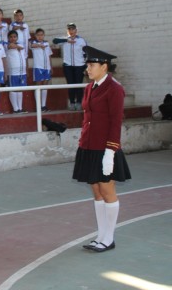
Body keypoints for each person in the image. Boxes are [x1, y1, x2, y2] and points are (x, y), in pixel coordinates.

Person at [72, 46, 131, 252]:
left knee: (107, 191)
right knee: (96, 192)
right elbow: (87, 118)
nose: (87, 68)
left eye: (91, 65)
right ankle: (100, 236)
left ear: (104, 66)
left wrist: (110, 152)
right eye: (87, 64)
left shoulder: (114, 89)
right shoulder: (90, 87)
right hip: (88, 146)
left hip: (105, 148)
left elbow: (115, 122)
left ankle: (109, 238)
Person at [53, 22, 88, 110]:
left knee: (78, 84)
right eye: (69, 29)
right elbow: (54, 40)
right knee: (70, 85)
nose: (71, 31)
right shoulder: (64, 40)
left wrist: (86, 65)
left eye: (73, 29)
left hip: (79, 66)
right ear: (67, 31)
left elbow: (86, 53)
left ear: (76, 30)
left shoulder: (81, 40)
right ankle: (72, 103)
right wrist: (66, 40)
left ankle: (79, 102)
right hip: (68, 66)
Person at [30, 28, 52, 112]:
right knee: (38, 85)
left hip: (47, 67)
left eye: (41, 35)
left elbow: (49, 55)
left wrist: (51, 67)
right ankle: (38, 106)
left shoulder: (46, 43)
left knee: (45, 86)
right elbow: (32, 46)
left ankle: (43, 105)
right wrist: (40, 45)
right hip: (38, 67)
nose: (40, 37)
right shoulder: (33, 42)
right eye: (38, 35)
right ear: (35, 36)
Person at [5, 30, 27, 114]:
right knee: (13, 89)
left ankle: (20, 108)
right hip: (13, 71)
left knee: (20, 90)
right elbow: (11, 46)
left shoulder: (20, 45)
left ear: (17, 37)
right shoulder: (7, 45)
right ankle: (15, 108)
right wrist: (18, 47)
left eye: (14, 37)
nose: (13, 38)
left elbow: (24, 56)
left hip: (22, 71)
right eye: (11, 37)